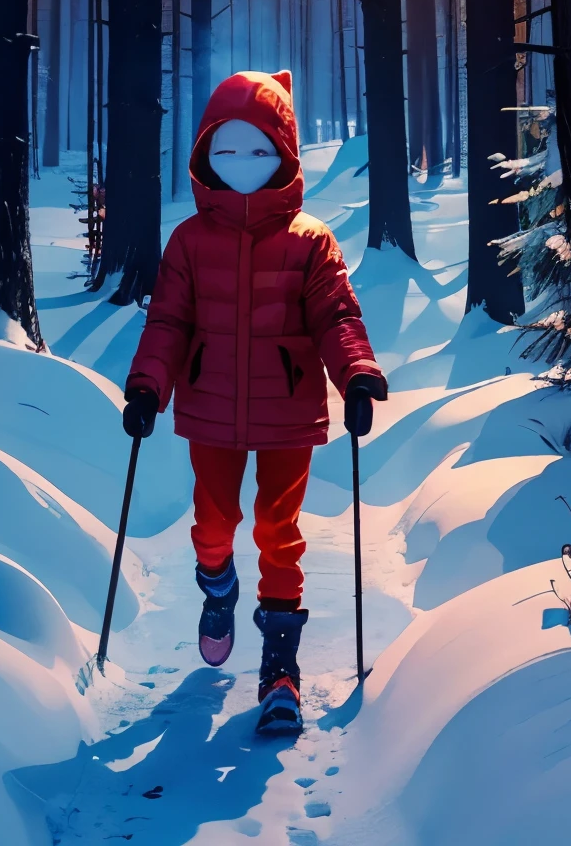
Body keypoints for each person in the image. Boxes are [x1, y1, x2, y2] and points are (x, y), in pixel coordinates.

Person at [122, 70, 388, 734]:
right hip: (210, 407)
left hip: (287, 412)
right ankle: (217, 587)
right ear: (205, 155)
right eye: (227, 150)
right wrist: (148, 385)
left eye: (259, 150)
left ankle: (280, 670)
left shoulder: (311, 241)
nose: (242, 164)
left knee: (278, 532)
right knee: (213, 525)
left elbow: (336, 317)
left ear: (286, 157)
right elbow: (169, 324)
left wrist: (355, 372)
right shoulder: (188, 242)